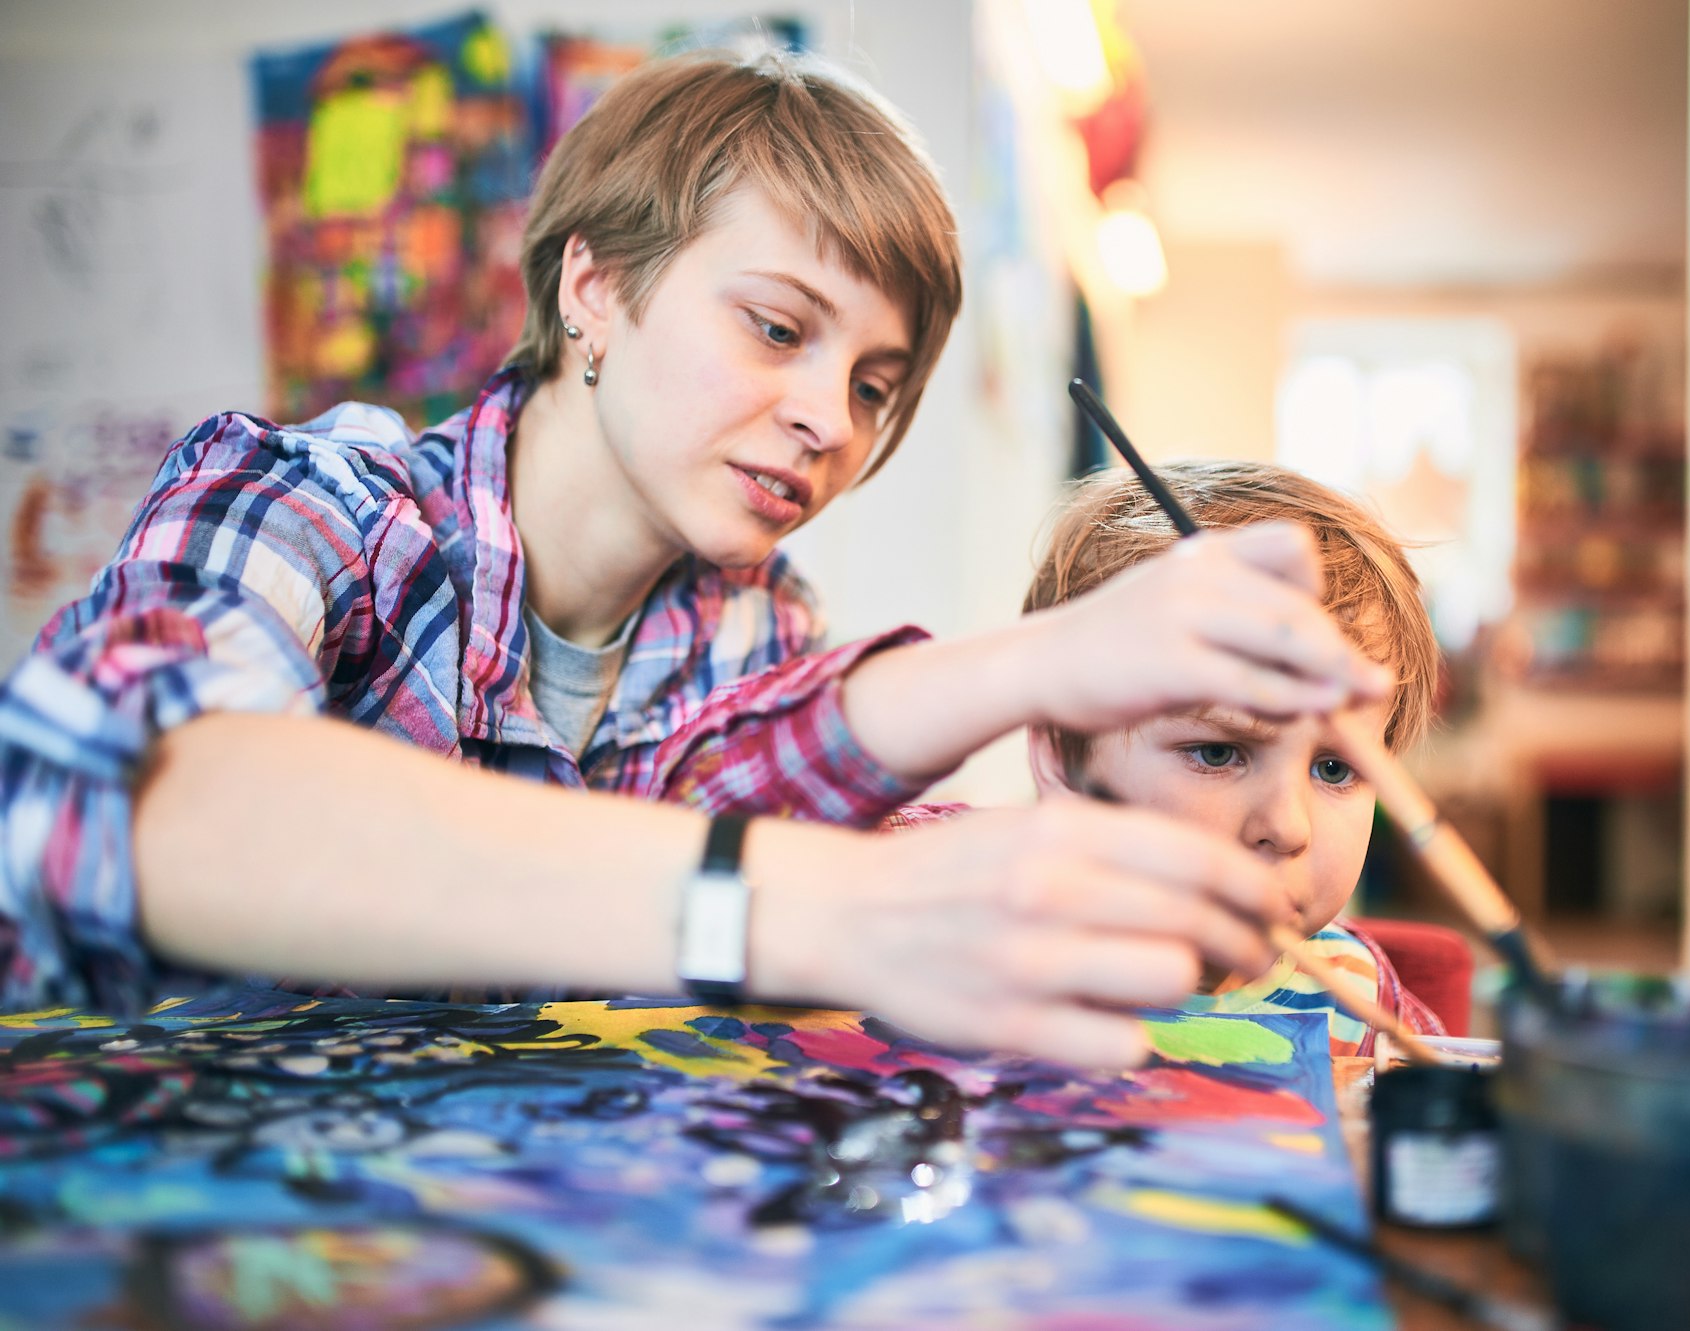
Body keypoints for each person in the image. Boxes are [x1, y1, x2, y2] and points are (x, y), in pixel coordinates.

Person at [0, 51, 1388, 1069]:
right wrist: (800, 903)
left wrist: (1061, 680)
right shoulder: (318, 503)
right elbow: (114, 803)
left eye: (875, 382)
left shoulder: (753, 621)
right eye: (780, 330)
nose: (826, 419)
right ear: (592, 288)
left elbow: (824, 811)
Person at [1019, 461, 1447, 1053]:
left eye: (1334, 768)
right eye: (1219, 754)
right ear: (1064, 759)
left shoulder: (1362, 1009)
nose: (1287, 826)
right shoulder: (987, 962)